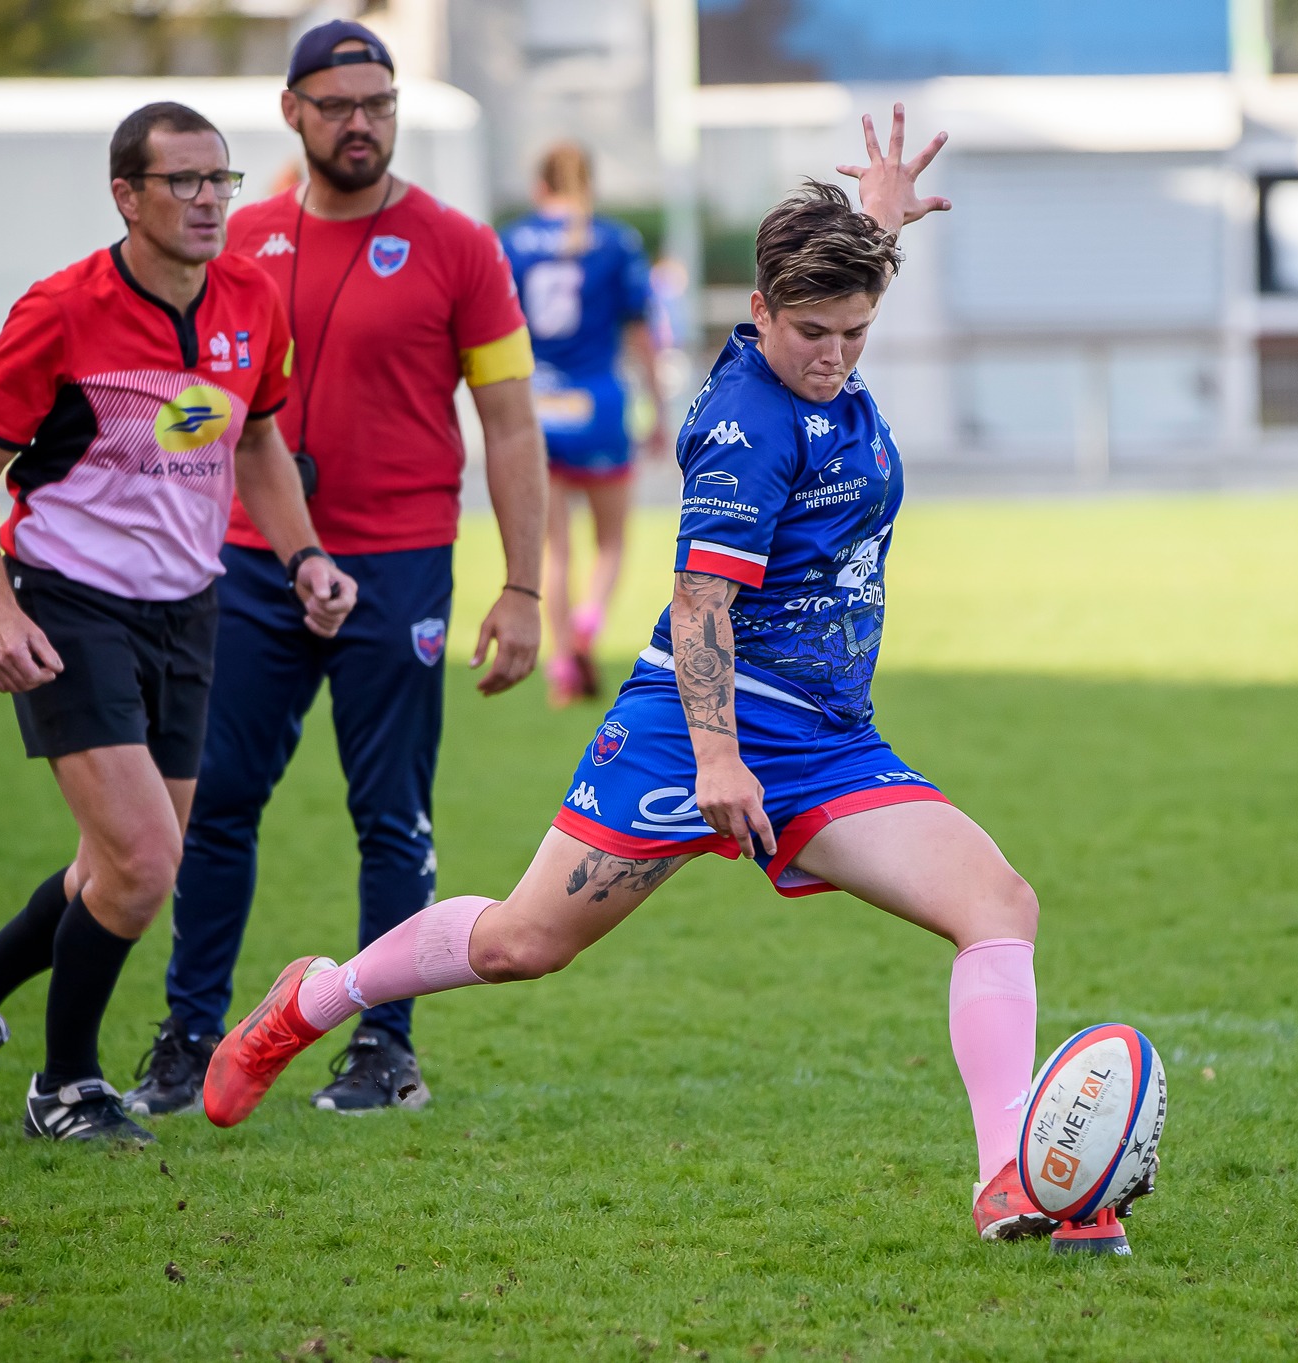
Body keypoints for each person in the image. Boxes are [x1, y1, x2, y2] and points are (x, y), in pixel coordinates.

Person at [206, 109, 1125, 1242]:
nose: (833, 355)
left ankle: (1009, 1183)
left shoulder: (826, 331)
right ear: (755, 312)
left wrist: (876, 219)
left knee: (998, 905)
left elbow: (841, 275)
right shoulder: (747, 426)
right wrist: (717, 758)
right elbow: (700, 605)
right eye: (809, 331)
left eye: (855, 329)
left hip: (827, 742)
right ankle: (309, 1000)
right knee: (519, 945)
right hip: (690, 729)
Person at [122, 21, 546, 1120]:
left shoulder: (460, 246)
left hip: (401, 563)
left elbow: (507, 425)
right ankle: (186, 1035)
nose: (362, 123)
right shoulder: (239, 238)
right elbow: (197, 408)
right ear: (292, 112)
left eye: (379, 102)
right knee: (212, 806)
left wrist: (524, 584)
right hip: (255, 566)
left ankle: (383, 1046)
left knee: (390, 816)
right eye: (339, 104)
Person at [0, 102, 357, 1143]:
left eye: (222, 180)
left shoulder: (252, 299)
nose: (210, 201)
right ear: (126, 195)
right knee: (148, 861)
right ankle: (65, 1085)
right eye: (184, 182)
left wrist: (305, 557)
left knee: (108, 867)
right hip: (69, 600)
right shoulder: (59, 309)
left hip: (187, 606)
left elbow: (257, 443)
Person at [501, 143, 666, 705]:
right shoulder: (616, 241)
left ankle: (561, 665)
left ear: (539, 185)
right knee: (612, 540)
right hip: (599, 405)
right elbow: (643, 333)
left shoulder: (514, 241)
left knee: (555, 548)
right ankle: (588, 624)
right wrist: (660, 409)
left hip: (537, 407)